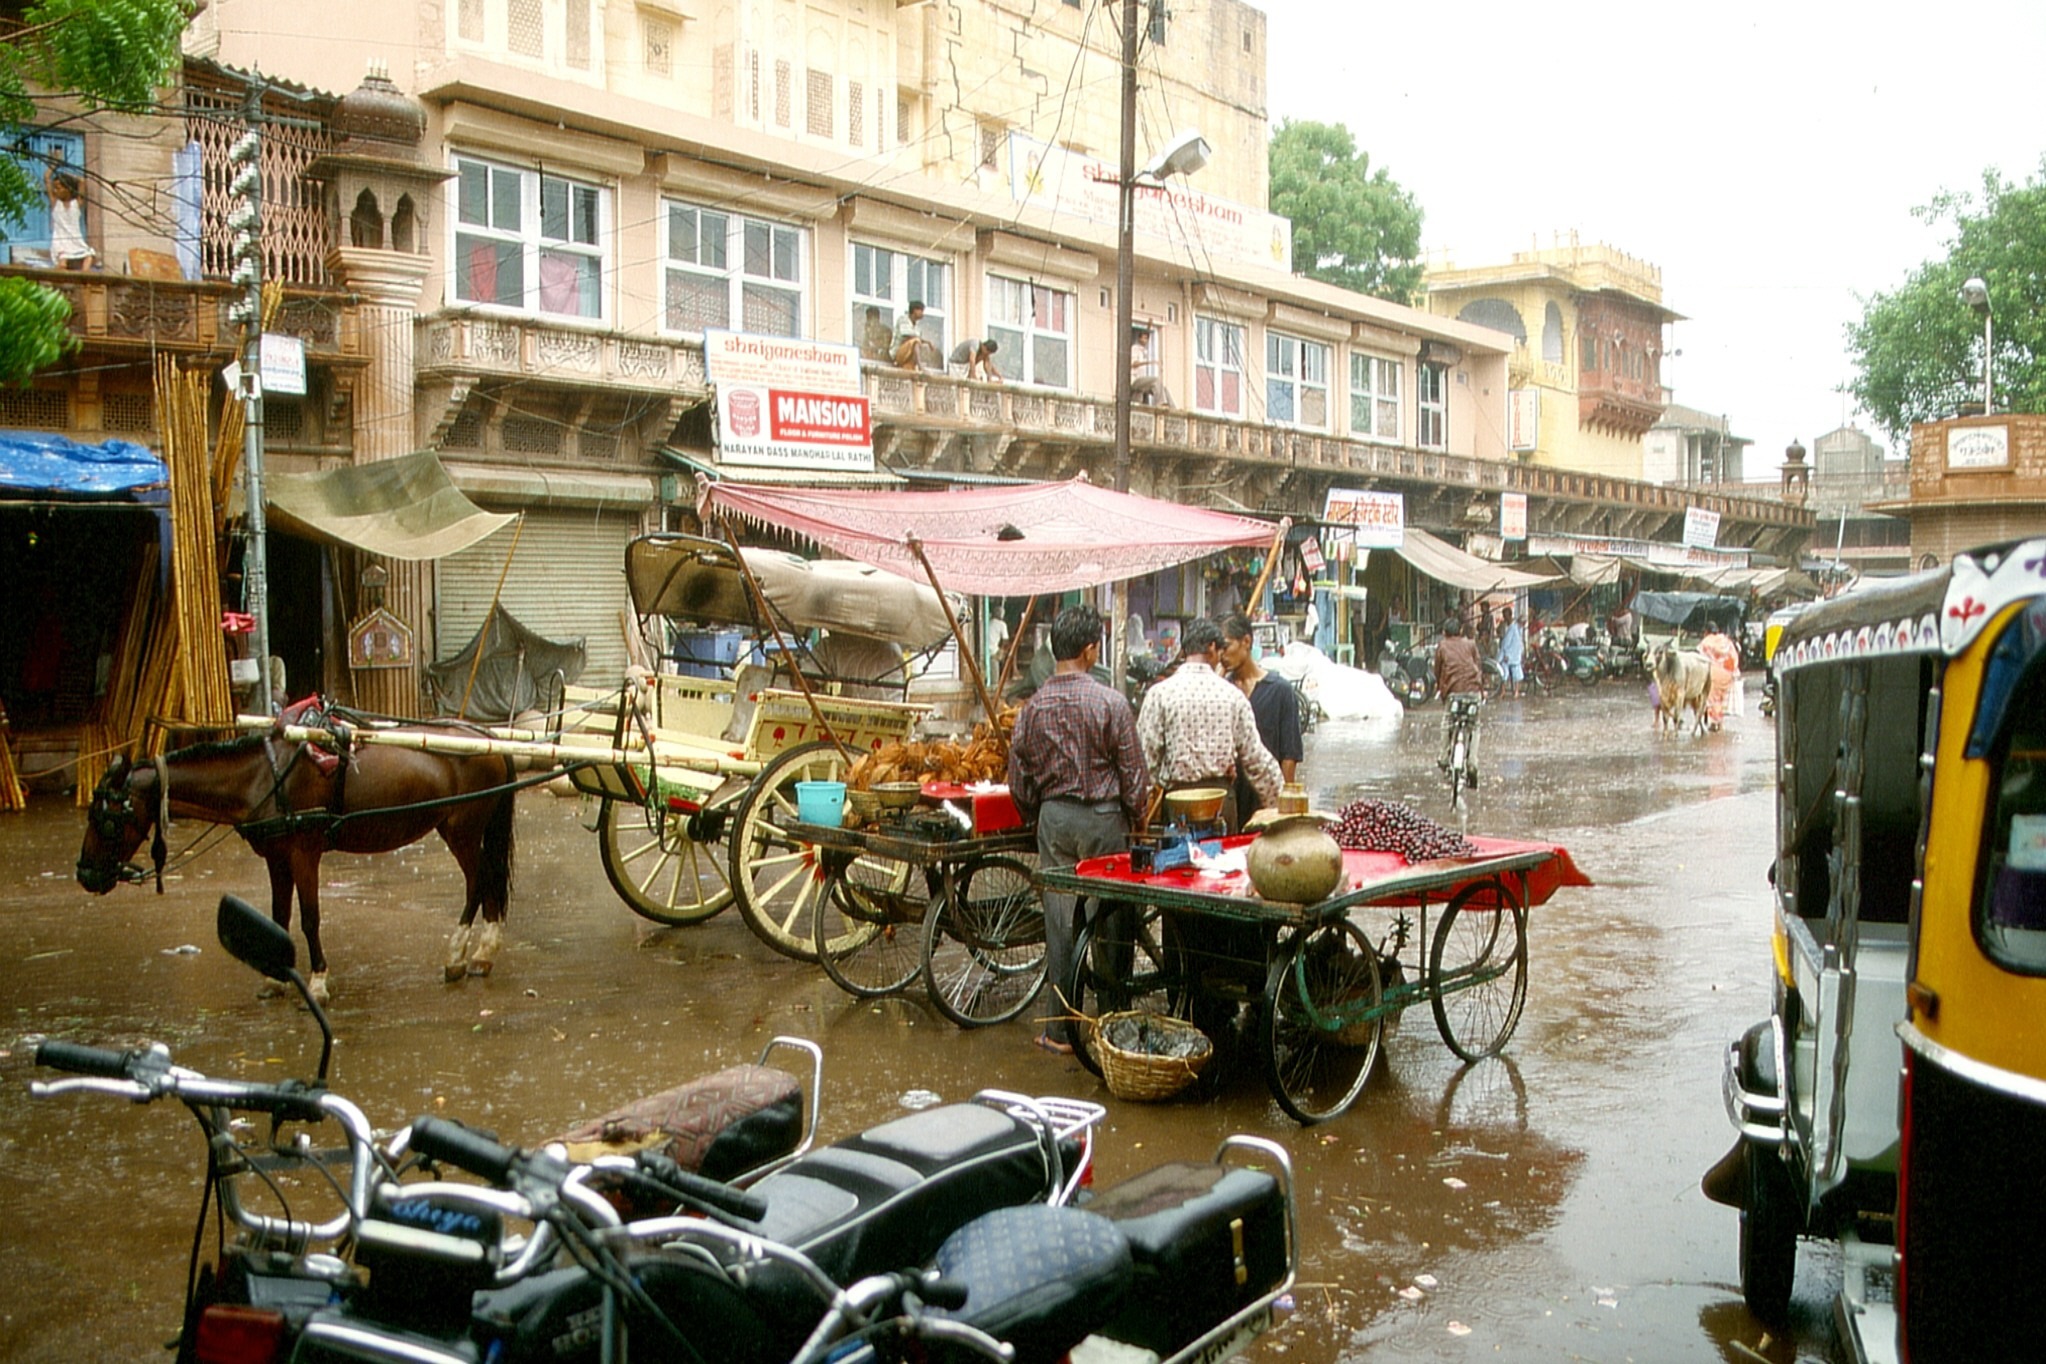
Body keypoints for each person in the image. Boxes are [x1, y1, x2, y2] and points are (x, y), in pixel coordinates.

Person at [1006, 605, 1149, 1055]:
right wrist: (1137, 816)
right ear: (1090, 650)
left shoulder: (1030, 709)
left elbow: (1019, 781)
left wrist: (1039, 815)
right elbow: (1134, 778)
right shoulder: (1112, 702)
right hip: (1105, 820)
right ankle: (1113, 1028)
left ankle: (1061, 1031)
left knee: (1060, 926)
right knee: (1110, 923)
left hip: (1054, 819)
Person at [1137, 616, 1283, 834]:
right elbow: (1255, 758)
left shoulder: (1159, 694)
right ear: (1212, 647)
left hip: (1178, 803)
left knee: (1180, 866)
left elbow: (1146, 759)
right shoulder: (1232, 696)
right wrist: (1280, 804)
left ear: (1185, 650)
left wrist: (1143, 804)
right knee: (1222, 866)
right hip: (1221, 803)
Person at [1218, 612, 1302, 823]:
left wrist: (1284, 809)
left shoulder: (1280, 691)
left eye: (1226, 647)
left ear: (1246, 642)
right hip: (1228, 800)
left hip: (1265, 800)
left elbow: (1289, 756)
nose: (1222, 656)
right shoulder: (1222, 692)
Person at [1433, 615, 1485, 785]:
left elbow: (1438, 671)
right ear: (1460, 631)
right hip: (1473, 691)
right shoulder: (1470, 644)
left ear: (1444, 633)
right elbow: (1478, 668)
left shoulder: (1442, 646)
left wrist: (1440, 689)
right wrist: (1481, 691)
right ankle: (1472, 763)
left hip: (1453, 692)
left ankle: (1443, 757)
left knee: (1447, 722)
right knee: (1474, 726)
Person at [1697, 621, 1741, 732]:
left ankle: (1714, 722)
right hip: (1728, 673)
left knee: (1712, 699)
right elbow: (1735, 658)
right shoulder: (1726, 641)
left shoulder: (1706, 642)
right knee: (1721, 699)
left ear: (1706, 631)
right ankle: (1720, 723)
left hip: (1712, 673)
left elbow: (1700, 659)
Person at [46, 169, 92, 270]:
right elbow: (46, 178)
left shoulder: (76, 204)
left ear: (68, 189)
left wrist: (67, 174)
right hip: (61, 242)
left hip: (75, 240)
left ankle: (86, 281)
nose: (56, 191)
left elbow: (82, 182)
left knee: (88, 257)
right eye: (55, 188)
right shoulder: (55, 204)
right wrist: (53, 166)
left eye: (59, 188)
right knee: (63, 263)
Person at [1130, 328, 1173, 406]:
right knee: (1155, 380)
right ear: (1139, 338)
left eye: (1146, 338)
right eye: (1143, 338)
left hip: (1142, 383)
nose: (1145, 340)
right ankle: (1161, 403)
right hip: (1135, 380)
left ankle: (1173, 409)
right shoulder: (1135, 348)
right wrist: (1150, 362)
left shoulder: (1145, 351)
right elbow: (1134, 364)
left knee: (1163, 389)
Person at [1497, 605, 1525, 699]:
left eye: (1506, 615)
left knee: (1516, 673)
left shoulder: (1514, 627)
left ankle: (1516, 691)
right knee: (1504, 674)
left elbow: (1511, 641)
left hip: (1513, 653)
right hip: (1508, 654)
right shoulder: (1506, 626)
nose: (1505, 617)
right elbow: (1504, 641)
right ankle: (1503, 691)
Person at [890, 301, 926, 370]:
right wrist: (924, 341)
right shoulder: (903, 319)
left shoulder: (917, 326)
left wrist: (927, 343)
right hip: (898, 353)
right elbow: (907, 336)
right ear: (915, 310)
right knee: (915, 341)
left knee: (910, 374)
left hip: (908, 357)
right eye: (921, 310)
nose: (922, 314)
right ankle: (920, 366)